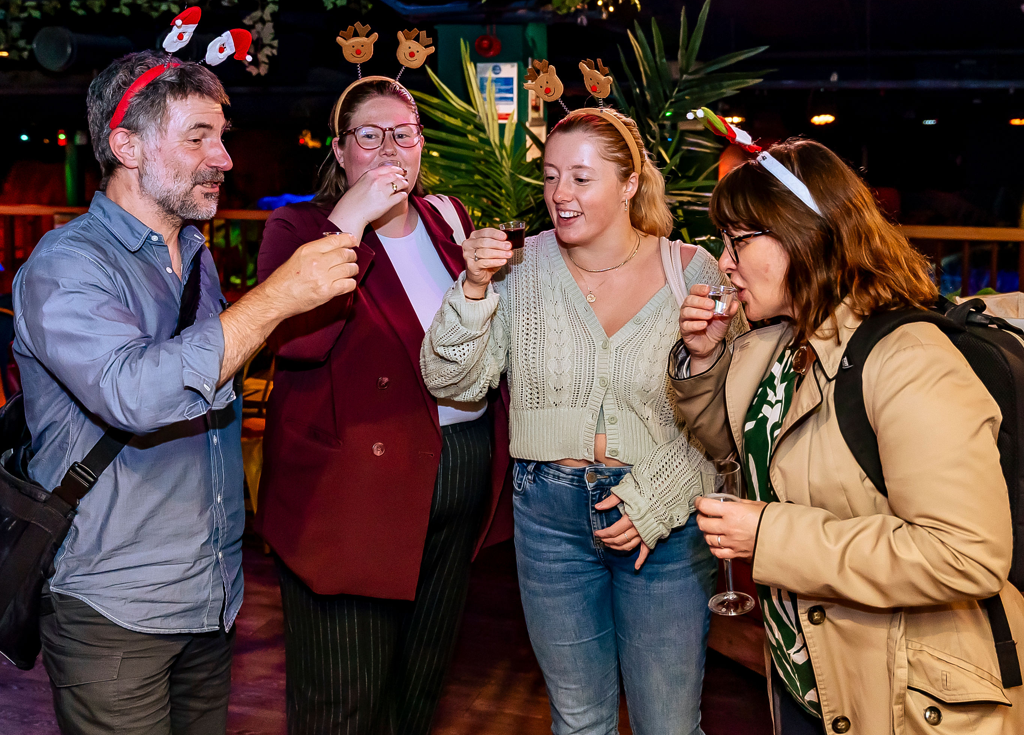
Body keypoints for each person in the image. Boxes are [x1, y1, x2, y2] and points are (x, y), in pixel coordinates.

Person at [13, 50, 359, 735]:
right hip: (115, 609)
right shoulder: (67, 264)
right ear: (126, 146)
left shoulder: (194, 255)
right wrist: (278, 298)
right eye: (198, 136)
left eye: (222, 135)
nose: (224, 157)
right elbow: (134, 395)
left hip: (210, 599)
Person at [674, 137, 1024, 734]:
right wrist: (704, 360)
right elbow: (733, 449)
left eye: (738, 240)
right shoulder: (783, 340)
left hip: (907, 699)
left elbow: (966, 555)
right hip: (809, 670)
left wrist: (770, 533)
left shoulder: (908, 358)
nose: (724, 262)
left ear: (804, 234)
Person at [421, 107, 745, 735]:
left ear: (628, 184)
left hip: (668, 527)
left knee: (669, 724)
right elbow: (452, 381)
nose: (559, 195)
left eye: (580, 178)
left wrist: (656, 498)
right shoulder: (519, 268)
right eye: (549, 177)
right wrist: (474, 289)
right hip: (548, 518)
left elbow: (729, 409)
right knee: (577, 720)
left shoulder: (694, 271)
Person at [254, 77, 510, 735]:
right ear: (340, 153)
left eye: (404, 134)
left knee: (417, 689)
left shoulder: (447, 218)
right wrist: (352, 220)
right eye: (370, 136)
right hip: (350, 499)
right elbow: (295, 339)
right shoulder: (302, 228)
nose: (391, 150)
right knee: (343, 701)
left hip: (456, 471)